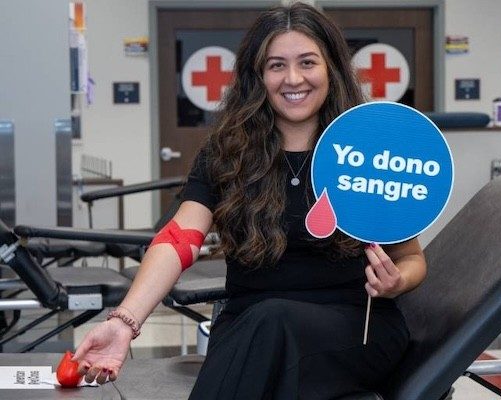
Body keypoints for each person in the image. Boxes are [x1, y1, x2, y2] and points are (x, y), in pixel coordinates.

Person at [72, 3, 427, 399]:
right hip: (249, 327)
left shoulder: (368, 150)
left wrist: (397, 282)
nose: (293, 78)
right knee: (265, 328)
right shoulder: (229, 151)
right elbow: (178, 239)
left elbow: (412, 259)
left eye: (308, 62)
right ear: (257, 75)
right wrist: (124, 322)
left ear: (332, 67)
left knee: (271, 323)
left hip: (356, 329)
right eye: (276, 65)